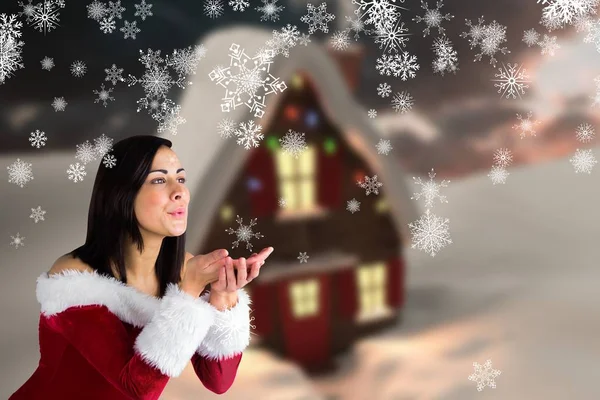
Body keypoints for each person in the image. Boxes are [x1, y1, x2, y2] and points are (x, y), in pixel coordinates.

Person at [9, 135, 274, 400]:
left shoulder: (181, 268)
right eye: (159, 180)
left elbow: (218, 381)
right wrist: (188, 291)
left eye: (181, 179)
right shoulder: (74, 279)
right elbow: (138, 389)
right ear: (122, 194)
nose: (179, 191)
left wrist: (224, 294)